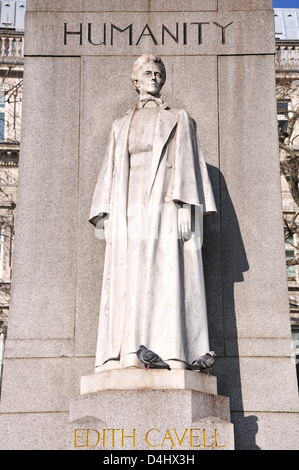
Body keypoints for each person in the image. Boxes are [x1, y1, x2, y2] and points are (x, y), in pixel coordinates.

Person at [89, 54, 217, 371]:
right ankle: (129, 354)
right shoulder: (120, 126)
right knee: (129, 280)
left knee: (168, 278)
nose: (153, 78)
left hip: (166, 206)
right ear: (135, 81)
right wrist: (104, 213)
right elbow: (110, 171)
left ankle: (172, 351)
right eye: (147, 73)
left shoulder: (180, 119)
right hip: (129, 209)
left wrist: (188, 210)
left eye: (158, 73)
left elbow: (189, 166)